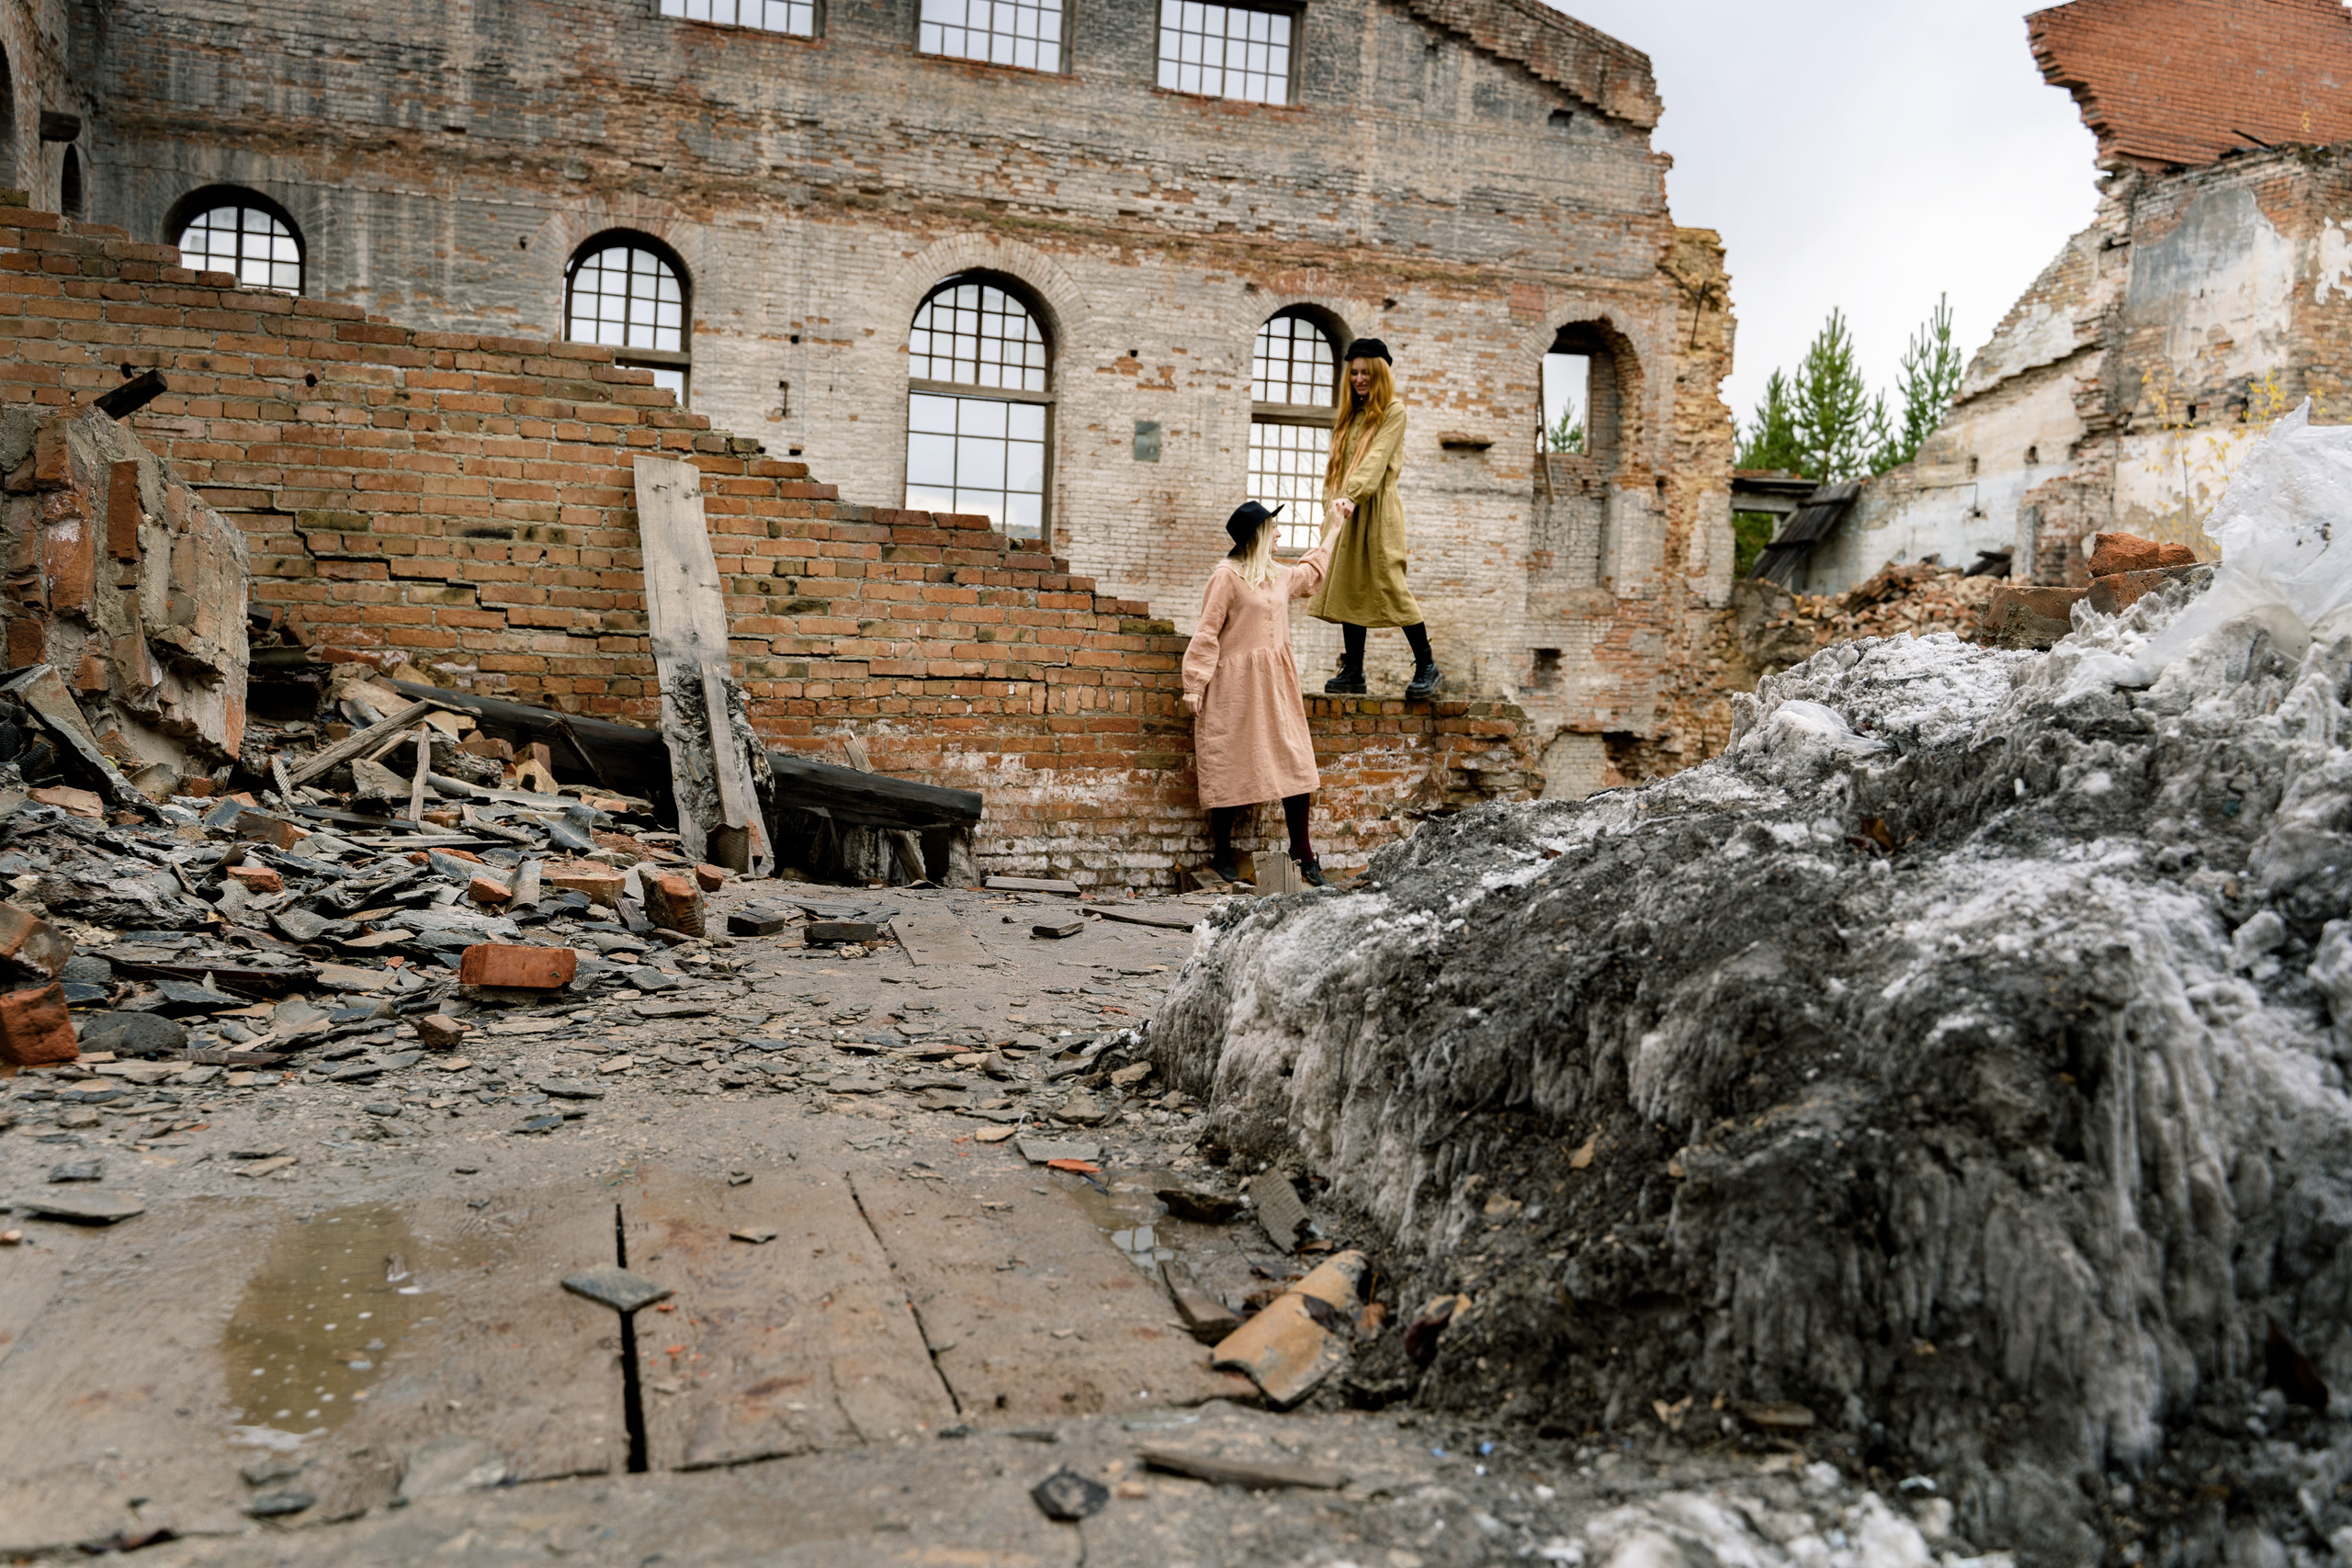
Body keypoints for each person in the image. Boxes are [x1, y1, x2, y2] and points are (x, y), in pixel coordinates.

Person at [1182, 499, 1339, 888]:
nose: (1280, 534)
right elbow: (1206, 632)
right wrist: (1194, 684)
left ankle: (1303, 854)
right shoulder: (1226, 576)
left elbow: (1312, 573)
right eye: (1274, 528)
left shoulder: (1279, 575)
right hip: (1235, 685)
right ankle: (1222, 853)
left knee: (1295, 760)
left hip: (1277, 685)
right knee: (1231, 759)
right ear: (1258, 535)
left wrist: (1333, 528)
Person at [1306, 338, 1442, 700]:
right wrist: (1330, 508)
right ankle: (1354, 670)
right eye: (1354, 373)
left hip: (1376, 510)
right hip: (1347, 510)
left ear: (1380, 374)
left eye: (1366, 372)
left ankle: (1427, 664)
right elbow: (1335, 469)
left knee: (1389, 582)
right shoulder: (1349, 416)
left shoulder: (1393, 412)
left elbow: (1375, 460)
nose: (1359, 379)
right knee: (1350, 583)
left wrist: (1352, 495)